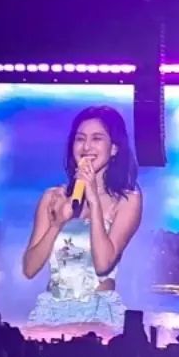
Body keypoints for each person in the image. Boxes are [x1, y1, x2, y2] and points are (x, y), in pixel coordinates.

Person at [22, 106, 142, 332]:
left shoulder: (127, 200)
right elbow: (29, 269)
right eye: (80, 139)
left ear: (114, 148)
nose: (86, 147)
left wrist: (94, 200)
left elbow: (104, 264)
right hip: (51, 313)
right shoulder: (53, 197)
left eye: (97, 138)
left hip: (97, 317)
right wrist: (57, 223)